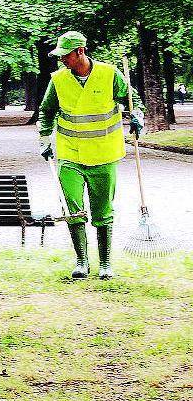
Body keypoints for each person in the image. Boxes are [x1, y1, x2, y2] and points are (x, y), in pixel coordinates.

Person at [38, 31, 145, 280]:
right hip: (69, 154)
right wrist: (44, 138)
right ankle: (82, 261)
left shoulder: (109, 75)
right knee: (72, 207)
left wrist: (137, 115)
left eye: (65, 55)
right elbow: (46, 112)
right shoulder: (58, 80)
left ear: (80, 52)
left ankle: (105, 263)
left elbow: (133, 100)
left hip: (104, 154)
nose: (62, 60)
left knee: (103, 211)